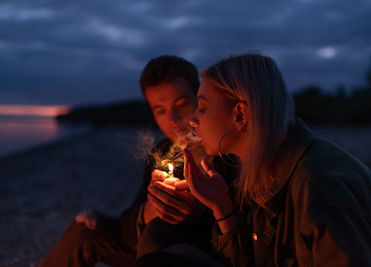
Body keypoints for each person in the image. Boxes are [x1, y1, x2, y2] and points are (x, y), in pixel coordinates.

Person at [177, 53, 371, 266]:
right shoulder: (265, 170)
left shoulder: (319, 189)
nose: (193, 118)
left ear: (240, 115)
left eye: (203, 108)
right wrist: (221, 207)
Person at [40, 56, 231, 267]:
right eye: (160, 110)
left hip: (203, 253)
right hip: (151, 247)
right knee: (85, 231)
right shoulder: (164, 151)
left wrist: (196, 211)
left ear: (199, 100)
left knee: (155, 235)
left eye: (182, 103)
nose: (173, 119)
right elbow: (131, 223)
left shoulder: (225, 150)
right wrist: (152, 208)